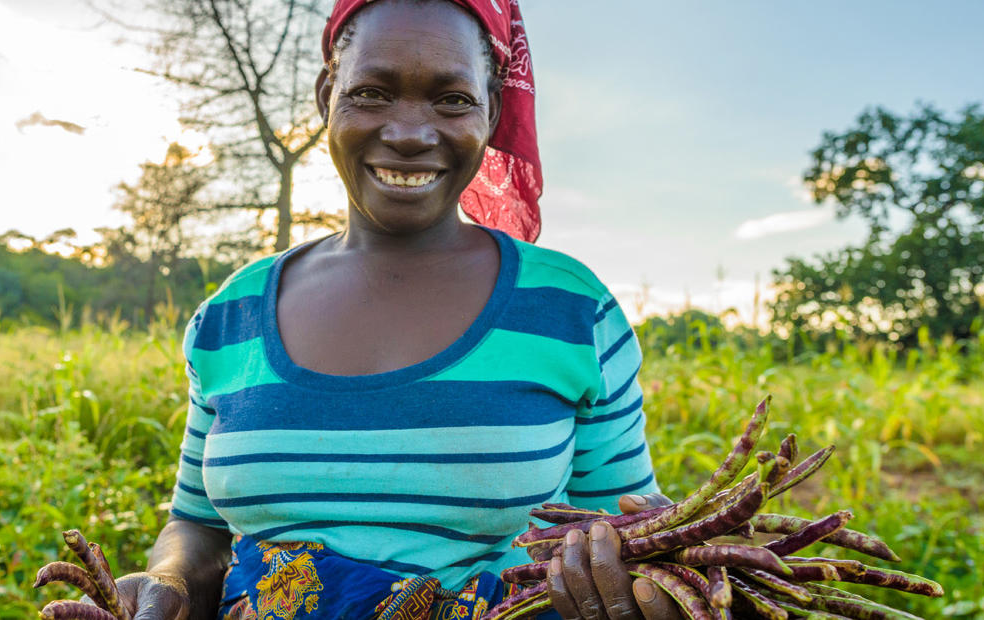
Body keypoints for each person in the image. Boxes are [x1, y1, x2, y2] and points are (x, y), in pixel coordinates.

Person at [112, 1, 682, 618]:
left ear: (492, 110)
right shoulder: (232, 317)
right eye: (372, 92)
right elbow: (196, 527)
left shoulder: (571, 310)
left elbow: (626, 534)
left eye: (452, 99)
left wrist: (647, 585)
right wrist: (164, 584)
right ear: (327, 93)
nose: (409, 132)